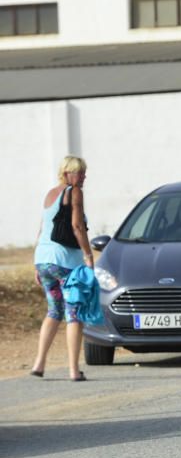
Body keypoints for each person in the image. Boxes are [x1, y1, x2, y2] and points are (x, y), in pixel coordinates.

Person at [30, 155, 94, 381]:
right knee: (73, 313)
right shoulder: (74, 192)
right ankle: (74, 370)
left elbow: (42, 228)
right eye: (80, 172)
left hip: (44, 259)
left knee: (54, 310)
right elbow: (77, 226)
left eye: (84, 172)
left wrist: (37, 265)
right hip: (66, 261)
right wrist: (88, 255)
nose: (84, 176)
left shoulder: (50, 194)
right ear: (68, 173)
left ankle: (39, 363)